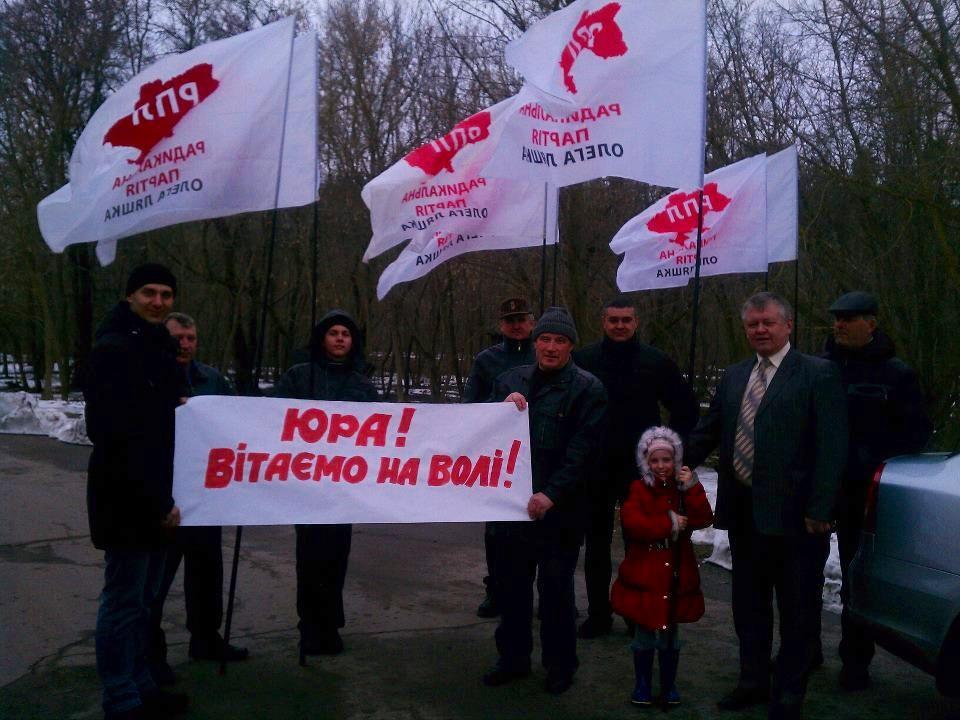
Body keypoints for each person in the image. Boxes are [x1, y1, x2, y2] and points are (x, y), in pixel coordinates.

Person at [685, 292, 847, 720]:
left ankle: (790, 691)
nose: (760, 330)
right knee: (749, 608)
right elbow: (709, 431)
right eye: (753, 324)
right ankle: (752, 681)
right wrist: (670, 463)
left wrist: (821, 507)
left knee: (797, 611)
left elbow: (832, 448)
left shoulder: (818, 374)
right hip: (744, 517)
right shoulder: (736, 376)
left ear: (787, 325)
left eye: (768, 323)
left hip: (798, 521)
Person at [481, 307, 607, 695]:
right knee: (513, 590)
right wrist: (500, 409)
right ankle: (513, 659)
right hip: (511, 509)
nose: (551, 347)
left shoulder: (588, 388)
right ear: (535, 342)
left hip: (560, 513)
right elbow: (480, 432)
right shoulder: (508, 380)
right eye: (546, 339)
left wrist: (551, 494)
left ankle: (560, 666)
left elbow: (583, 451)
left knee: (555, 592)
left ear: (571, 346)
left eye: (560, 341)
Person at [84, 263, 188, 719]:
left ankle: (141, 683)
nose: (158, 301)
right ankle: (120, 696)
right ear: (130, 296)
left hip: (156, 492)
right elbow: (118, 435)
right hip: (126, 497)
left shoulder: (156, 347)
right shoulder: (113, 349)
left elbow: (160, 422)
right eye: (149, 292)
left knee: (144, 601)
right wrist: (158, 500)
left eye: (166, 294)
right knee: (125, 601)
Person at [823, 291, 931, 691]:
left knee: (856, 578)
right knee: (796, 574)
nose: (839, 325)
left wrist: (871, 458)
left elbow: (915, 435)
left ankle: (855, 662)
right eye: (836, 319)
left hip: (861, 492)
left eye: (848, 319)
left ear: (871, 323)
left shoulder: (897, 374)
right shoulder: (819, 369)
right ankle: (803, 651)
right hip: (816, 487)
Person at [573, 296, 698, 638]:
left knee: (640, 546)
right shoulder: (583, 361)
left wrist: (670, 452)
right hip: (595, 467)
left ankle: (636, 611)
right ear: (603, 321)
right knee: (596, 545)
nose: (620, 325)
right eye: (613, 319)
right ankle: (598, 613)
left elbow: (686, 409)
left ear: (636, 322)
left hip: (641, 471)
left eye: (626, 320)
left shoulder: (655, 362)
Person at [273, 309, 378, 661]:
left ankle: (330, 624)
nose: (339, 339)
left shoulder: (363, 384)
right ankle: (309, 626)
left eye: (346, 334)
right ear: (322, 338)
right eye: (333, 332)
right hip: (306, 485)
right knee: (309, 557)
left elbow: (382, 432)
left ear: (353, 341)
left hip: (344, 488)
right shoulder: (299, 377)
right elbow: (272, 422)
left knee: (336, 557)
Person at [148, 312, 247, 682]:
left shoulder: (212, 379)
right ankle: (149, 652)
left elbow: (238, 421)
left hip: (206, 495)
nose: (185, 344)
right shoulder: (150, 375)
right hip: (164, 495)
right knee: (156, 579)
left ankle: (205, 638)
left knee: (206, 572)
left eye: (191, 337)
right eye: (178, 337)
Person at [611, 427, 713, 708]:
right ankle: (642, 683)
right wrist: (667, 524)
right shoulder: (638, 488)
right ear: (646, 461)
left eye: (666, 460)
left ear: (676, 460)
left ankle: (668, 685)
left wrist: (692, 486)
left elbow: (703, 517)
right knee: (644, 632)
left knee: (670, 634)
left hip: (676, 572)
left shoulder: (684, 488)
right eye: (654, 460)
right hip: (646, 571)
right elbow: (633, 523)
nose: (661, 466)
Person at [463, 297, 536, 618]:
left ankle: (544, 594)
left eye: (522, 318)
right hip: (499, 458)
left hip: (540, 454)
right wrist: (500, 405)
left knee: (539, 530)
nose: (517, 325)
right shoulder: (486, 360)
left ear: (532, 321)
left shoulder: (547, 353)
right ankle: (496, 590)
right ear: (500, 325)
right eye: (510, 320)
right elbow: (470, 408)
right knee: (497, 530)